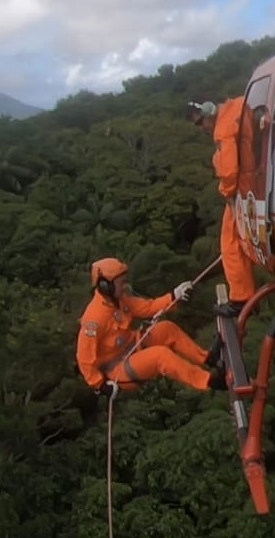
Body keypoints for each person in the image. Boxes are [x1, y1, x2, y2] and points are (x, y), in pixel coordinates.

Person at [77, 258, 223, 394]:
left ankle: (208, 358)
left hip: (133, 346)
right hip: (117, 369)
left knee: (166, 328)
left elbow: (148, 307)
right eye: (120, 283)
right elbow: (84, 358)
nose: (124, 286)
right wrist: (100, 385)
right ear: (105, 286)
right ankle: (209, 381)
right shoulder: (94, 319)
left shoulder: (119, 300)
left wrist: (174, 295)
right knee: (160, 356)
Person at [188, 98, 256, 316]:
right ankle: (245, 296)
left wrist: (227, 193)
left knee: (230, 243)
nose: (202, 130)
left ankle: (241, 298)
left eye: (200, 124)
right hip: (255, 181)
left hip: (243, 190)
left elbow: (228, 171)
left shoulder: (223, 130)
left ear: (208, 112)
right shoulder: (236, 106)